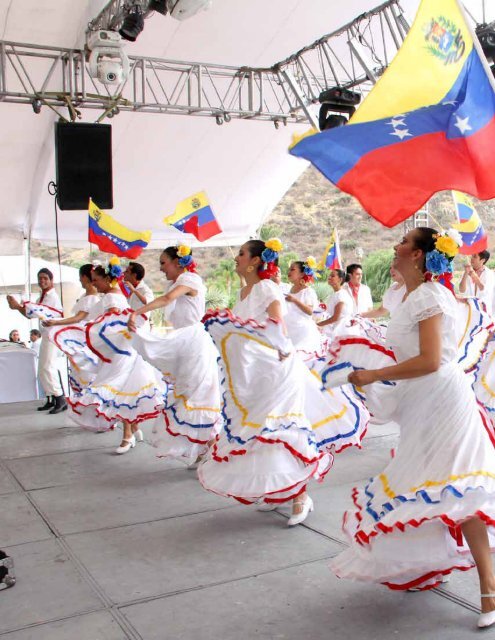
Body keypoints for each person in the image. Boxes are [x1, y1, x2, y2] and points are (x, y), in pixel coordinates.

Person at [328, 227, 495, 630]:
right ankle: (428, 564)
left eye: (403, 243)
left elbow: (430, 360)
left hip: (441, 397)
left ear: (419, 255)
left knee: (456, 484)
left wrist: (373, 375)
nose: (395, 247)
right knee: (426, 482)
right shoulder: (410, 296)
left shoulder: (429, 296)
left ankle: (490, 588)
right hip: (422, 400)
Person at [199, 239, 369, 526]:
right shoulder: (244, 290)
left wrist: (263, 344)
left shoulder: (267, 287)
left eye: (241, 253)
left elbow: (277, 322)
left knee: (283, 432)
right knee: (261, 435)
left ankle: (301, 496)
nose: (236, 258)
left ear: (255, 261)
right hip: (253, 374)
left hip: (275, 369)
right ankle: (277, 491)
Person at [128, 246, 221, 466]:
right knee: (187, 395)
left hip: (196, 344)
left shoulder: (190, 280)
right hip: (184, 343)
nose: (161, 268)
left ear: (178, 262)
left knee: (196, 395)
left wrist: (137, 312)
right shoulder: (178, 282)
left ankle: (213, 448)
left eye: (163, 262)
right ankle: (205, 447)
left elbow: (167, 299)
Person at [67, 259, 165, 454]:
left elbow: (112, 325)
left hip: (121, 350)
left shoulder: (112, 299)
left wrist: (90, 333)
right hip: (121, 349)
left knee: (119, 389)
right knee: (125, 388)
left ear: (107, 279)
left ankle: (128, 435)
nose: (94, 284)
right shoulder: (114, 295)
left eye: (96, 280)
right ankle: (133, 429)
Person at [7, 268, 67, 414]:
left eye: (45, 278)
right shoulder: (43, 297)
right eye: (40, 278)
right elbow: (31, 314)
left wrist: (19, 307)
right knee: (42, 369)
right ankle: (51, 397)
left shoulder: (52, 297)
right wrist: (17, 307)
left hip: (52, 336)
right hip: (45, 335)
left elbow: (35, 312)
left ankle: (60, 398)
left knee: (48, 367)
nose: (42, 281)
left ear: (51, 280)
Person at [43, 264, 101, 394]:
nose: (79, 280)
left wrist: (56, 322)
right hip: (82, 338)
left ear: (85, 277)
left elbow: (77, 318)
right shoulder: (86, 296)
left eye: (80, 277)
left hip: (85, 339)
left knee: (86, 372)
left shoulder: (91, 298)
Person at [284, 257, 322, 353]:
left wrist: (294, 300)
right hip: (289, 330)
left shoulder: (308, 291)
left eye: (292, 269)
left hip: (302, 332)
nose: (289, 271)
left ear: (302, 274)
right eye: (289, 269)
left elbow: (309, 311)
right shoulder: (288, 289)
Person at [317, 269, 354, 336]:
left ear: (340, 280)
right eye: (329, 275)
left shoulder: (341, 295)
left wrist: (318, 324)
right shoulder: (336, 294)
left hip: (343, 330)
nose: (329, 277)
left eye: (332, 276)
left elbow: (335, 317)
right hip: (337, 328)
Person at [124, 262, 154, 329]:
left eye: (127, 271)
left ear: (134, 275)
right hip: (130, 325)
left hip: (141, 327)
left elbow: (147, 302)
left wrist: (134, 290)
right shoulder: (127, 288)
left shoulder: (145, 289)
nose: (124, 273)